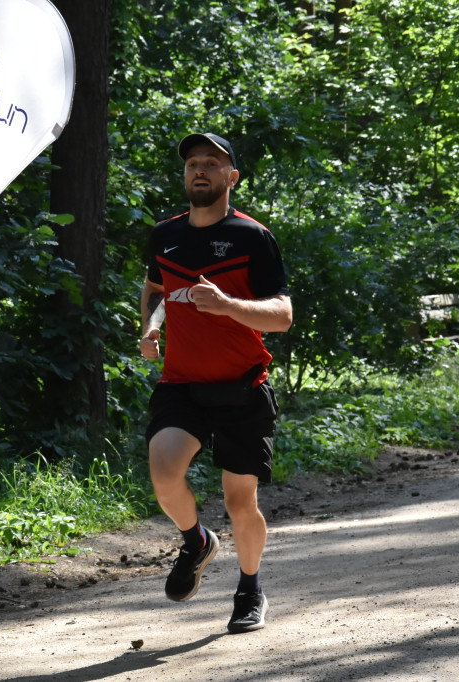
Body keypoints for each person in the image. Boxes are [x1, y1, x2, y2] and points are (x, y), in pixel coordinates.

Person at [139, 132, 292, 633]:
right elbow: (157, 286)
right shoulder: (165, 235)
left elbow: (282, 315)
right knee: (164, 471)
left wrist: (228, 306)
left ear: (232, 177)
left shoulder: (253, 237)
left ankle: (250, 589)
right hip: (182, 383)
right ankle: (197, 541)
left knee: (238, 501)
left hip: (242, 387)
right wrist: (151, 326)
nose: (199, 170)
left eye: (211, 163)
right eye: (192, 164)